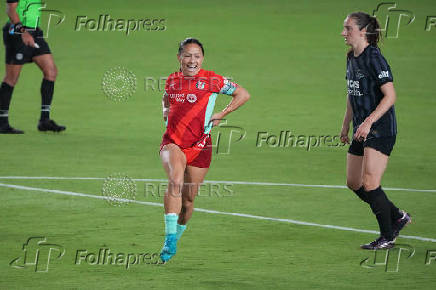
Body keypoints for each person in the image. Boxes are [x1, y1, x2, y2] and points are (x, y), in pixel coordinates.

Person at [159, 38, 250, 262]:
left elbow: (243, 94)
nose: (192, 60)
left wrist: (221, 114)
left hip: (201, 146)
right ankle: (169, 239)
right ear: (179, 58)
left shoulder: (213, 80)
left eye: (197, 56)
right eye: (187, 55)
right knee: (176, 180)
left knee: (188, 201)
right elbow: (166, 98)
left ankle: (176, 237)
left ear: (202, 59)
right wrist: (164, 109)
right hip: (173, 143)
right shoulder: (172, 80)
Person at [340, 12, 411, 250]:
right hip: (361, 128)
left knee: (370, 183)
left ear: (363, 31)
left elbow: (390, 96)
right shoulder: (351, 57)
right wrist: (345, 124)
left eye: (348, 28)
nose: (343, 33)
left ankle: (387, 236)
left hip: (379, 129)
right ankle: (398, 217)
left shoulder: (374, 58)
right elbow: (353, 93)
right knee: (353, 182)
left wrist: (369, 121)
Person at [0, 0, 65, 134]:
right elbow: (11, 10)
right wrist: (23, 32)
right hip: (17, 33)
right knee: (12, 78)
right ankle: (2, 122)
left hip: (35, 32)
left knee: (51, 71)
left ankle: (44, 120)